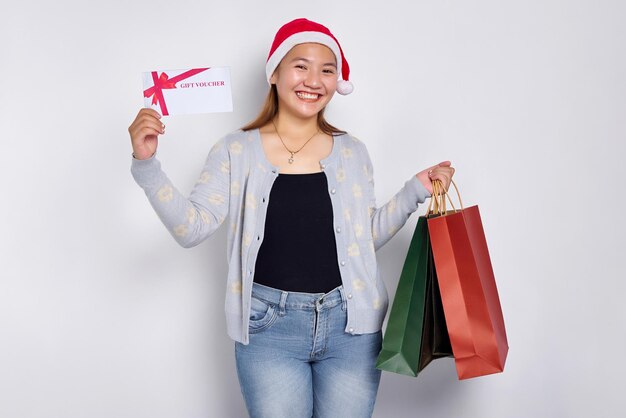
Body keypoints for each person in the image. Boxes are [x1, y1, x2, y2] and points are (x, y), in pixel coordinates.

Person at [128, 18, 454, 418]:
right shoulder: (235, 150)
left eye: (327, 69)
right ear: (275, 73)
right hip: (268, 330)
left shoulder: (352, 152)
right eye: (301, 65)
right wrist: (147, 166)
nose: (314, 80)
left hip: (352, 327)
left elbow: (362, 239)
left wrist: (414, 190)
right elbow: (191, 229)